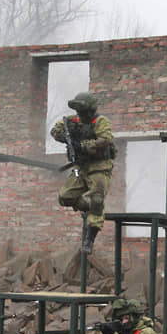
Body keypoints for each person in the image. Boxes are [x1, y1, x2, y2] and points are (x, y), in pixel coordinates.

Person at [50, 92, 115, 254]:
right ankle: (86, 206)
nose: (81, 115)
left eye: (84, 111)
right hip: (81, 167)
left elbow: (105, 140)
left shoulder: (100, 122)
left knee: (97, 199)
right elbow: (55, 130)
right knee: (65, 197)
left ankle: (90, 238)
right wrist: (66, 137)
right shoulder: (72, 121)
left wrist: (83, 145)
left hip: (99, 166)